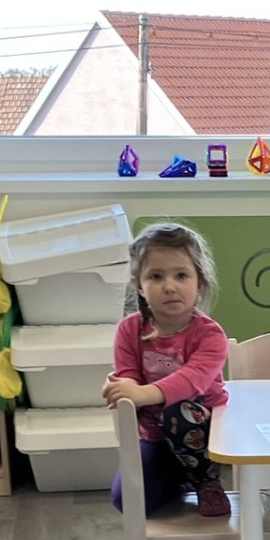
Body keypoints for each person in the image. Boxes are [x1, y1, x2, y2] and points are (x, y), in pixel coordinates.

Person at [105, 222, 231, 518]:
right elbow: (128, 380)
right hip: (155, 439)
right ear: (139, 284)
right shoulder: (129, 330)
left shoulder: (210, 335)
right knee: (126, 500)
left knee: (180, 412)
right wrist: (120, 389)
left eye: (181, 275)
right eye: (156, 276)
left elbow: (192, 381)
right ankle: (180, 477)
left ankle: (205, 479)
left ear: (200, 282)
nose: (170, 286)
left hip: (204, 437)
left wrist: (142, 393)